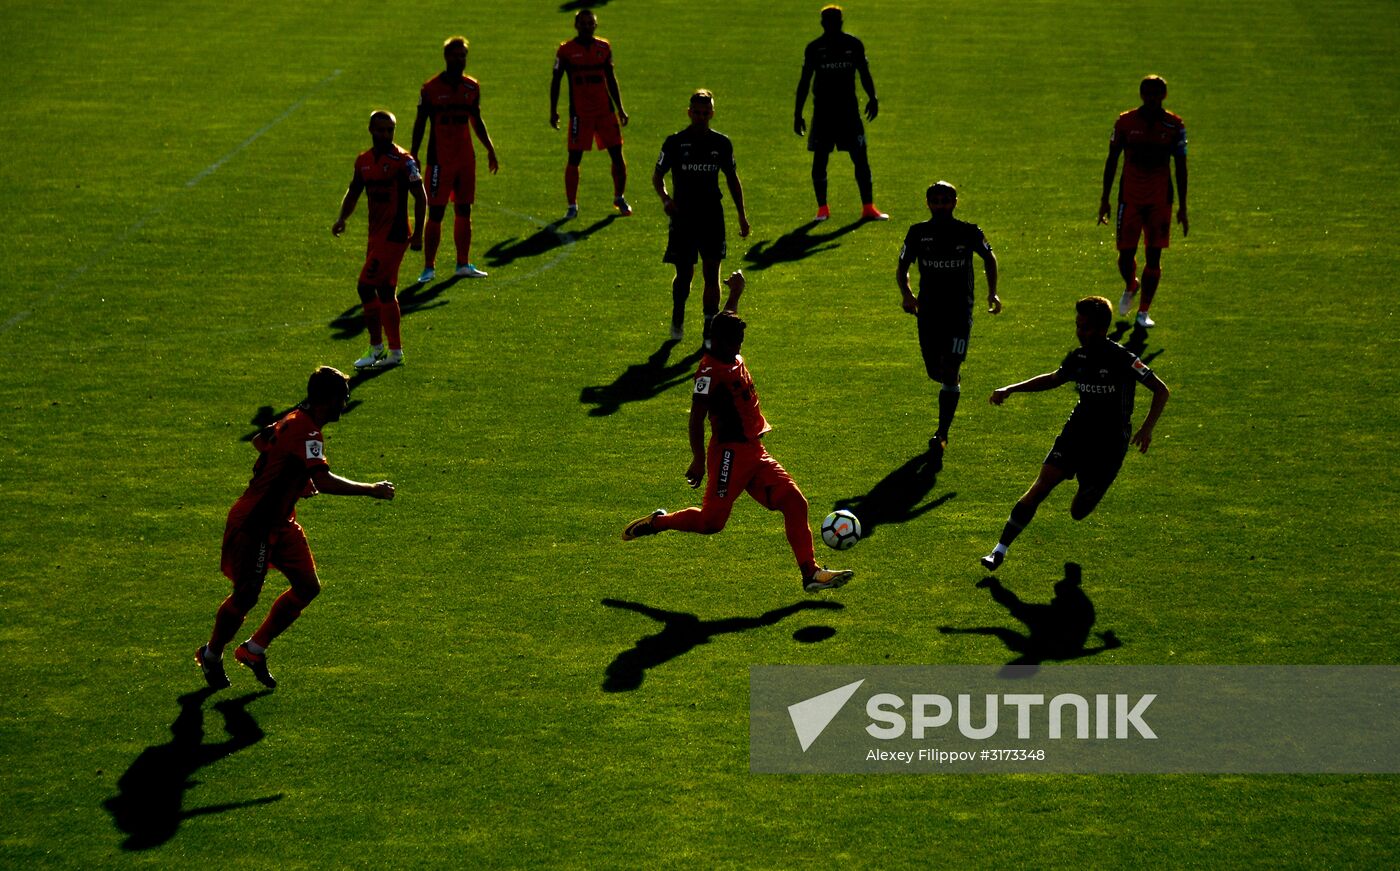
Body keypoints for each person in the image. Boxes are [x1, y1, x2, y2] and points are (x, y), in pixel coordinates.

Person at [623, 271, 853, 593]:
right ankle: (659, 522)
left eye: (740, 342)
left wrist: (736, 294)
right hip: (729, 453)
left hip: (755, 452)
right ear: (719, 342)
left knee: (795, 502)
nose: (739, 347)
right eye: (735, 342)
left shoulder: (725, 344)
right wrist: (698, 460)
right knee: (710, 524)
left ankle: (810, 574)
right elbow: (696, 418)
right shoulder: (708, 372)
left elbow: (726, 321)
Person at [196, 367, 396, 689]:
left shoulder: (294, 418)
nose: (344, 405)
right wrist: (371, 489)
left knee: (307, 587)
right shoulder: (308, 431)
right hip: (256, 522)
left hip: (281, 521)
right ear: (326, 400)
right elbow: (324, 480)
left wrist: (292, 474)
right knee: (246, 596)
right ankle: (211, 655)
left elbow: (261, 440)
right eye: (342, 399)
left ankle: (254, 649)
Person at [980, 296, 1169, 571]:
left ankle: (1094, 484)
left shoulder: (1122, 359)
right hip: (1077, 432)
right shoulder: (1078, 357)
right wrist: (1011, 388)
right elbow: (1054, 379)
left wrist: (1147, 427)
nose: (1080, 332)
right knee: (1040, 487)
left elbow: (1161, 390)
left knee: (1078, 512)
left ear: (1102, 328)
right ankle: (999, 551)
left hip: (1110, 441)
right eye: (1078, 326)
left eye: (1086, 327)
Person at [896, 181, 1001, 462]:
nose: (941, 205)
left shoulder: (968, 232)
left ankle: (941, 433)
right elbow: (902, 268)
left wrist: (992, 292)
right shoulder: (918, 233)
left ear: (955, 202)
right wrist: (907, 294)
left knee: (950, 369)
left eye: (946, 200)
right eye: (936, 201)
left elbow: (989, 259)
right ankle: (950, 384)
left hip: (959, 313)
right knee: (936, 372)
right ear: (928, 203)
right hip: (929, 312)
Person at [652, 89, 750, 344]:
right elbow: (657, 176)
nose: (701, 117)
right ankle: (678, 313)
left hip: (711, 217)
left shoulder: (721, 144)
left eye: (705, 112)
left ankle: (708, 328)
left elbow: (732, 179)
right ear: (689, 112)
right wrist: (665, 199)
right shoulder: (674, 142)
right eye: (697, 112)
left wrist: (741, 215)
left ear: (712, 113)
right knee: (684, 275)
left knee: (712, 273)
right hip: (683, 217)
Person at [332, 110, 426, 370]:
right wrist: (343, 218)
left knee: (365, 287)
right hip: (376, 235)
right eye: (381, 130)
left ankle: (376, 349)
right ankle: (395, 352)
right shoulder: (363, 161)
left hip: (395, 235)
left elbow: (421, 196)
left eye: (390, 130)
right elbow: (353, 192)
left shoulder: (403, 161)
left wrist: (418, 233)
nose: (385, 134)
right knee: (385, 291)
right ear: (371, 130)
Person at [1097, 74, 1188, 328]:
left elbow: (1181, 166)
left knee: (1154, 256)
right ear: (1141, 94)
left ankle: (1143, 312)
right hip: (1130, 198)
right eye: (1147, 93)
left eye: (1156, 94)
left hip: (1160, 200)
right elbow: (1112, 160)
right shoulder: (1125, 123)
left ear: (1163, 96)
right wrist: (1105, 200)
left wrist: (1183, 206)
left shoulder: (1174, 126)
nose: (1151, 98)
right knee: (1125, 255)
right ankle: (1131, 284)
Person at [411, 35, 500, 283]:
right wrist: (414, 153)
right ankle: (429, 267)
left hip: (465, 159)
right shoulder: (430, 89)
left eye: (464, 56)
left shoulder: (471, 87)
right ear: (447, 56)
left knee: (464, 209)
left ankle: (463, 263)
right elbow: (420, 122)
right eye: (457, 55)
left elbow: (476, 119)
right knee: (436, 212)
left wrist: (490, 149)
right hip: (439, 159)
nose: (461, 60)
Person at [793, 5, 887, 222]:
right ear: (823, 24)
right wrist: (797, 114)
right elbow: (805, 81)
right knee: (820, 158)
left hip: (848, 112)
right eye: (830, 22)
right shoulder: (815, 49)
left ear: (841, 22)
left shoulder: (853, 45)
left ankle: (868, 207)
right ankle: (823, 209)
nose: (833, 26)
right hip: (824, 114)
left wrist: (873, 97)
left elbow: (864, 72)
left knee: (860, 158)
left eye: (836, 22)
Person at [550, 9, 631, 220]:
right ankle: (571, 205)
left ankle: (619, 197)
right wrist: (553, 110)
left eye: (590, 23)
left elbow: (611, 79)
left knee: (617, 155)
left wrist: (620, 108)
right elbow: (556, 80)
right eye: (583, 23)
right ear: (576, 25)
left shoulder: (604, 48)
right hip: (580, 114)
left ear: (595, 25)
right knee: (574, 159)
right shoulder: (565, 51)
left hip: (605, 112)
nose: (586, 26)